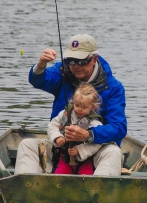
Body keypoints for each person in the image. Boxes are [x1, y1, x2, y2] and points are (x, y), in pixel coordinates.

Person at [15, 33, 127, 176]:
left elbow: (118, 128)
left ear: (94, 59)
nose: (75, 66)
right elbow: (39, 81)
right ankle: (27, 189)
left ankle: (98, 191)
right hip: (61, 150)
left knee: (113, 152)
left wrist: (88, 135)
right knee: (26, 145)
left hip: (95, 149)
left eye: (81, 61)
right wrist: (41, 64)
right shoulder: (62, 71)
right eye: (71, 60)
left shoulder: (114, 88)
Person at [48, 83, 103, 175]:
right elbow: (52, 125)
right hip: (64, 158)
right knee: (59, 177)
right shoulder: (64, 114)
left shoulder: (94, 123)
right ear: (73, 101)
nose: (79, 109)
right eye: (77, 105)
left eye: (84, 107)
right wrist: (57, 137)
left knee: (86, 178)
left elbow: (97, 144)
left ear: (92, 107)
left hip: (85, 161)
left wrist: (79, 151)